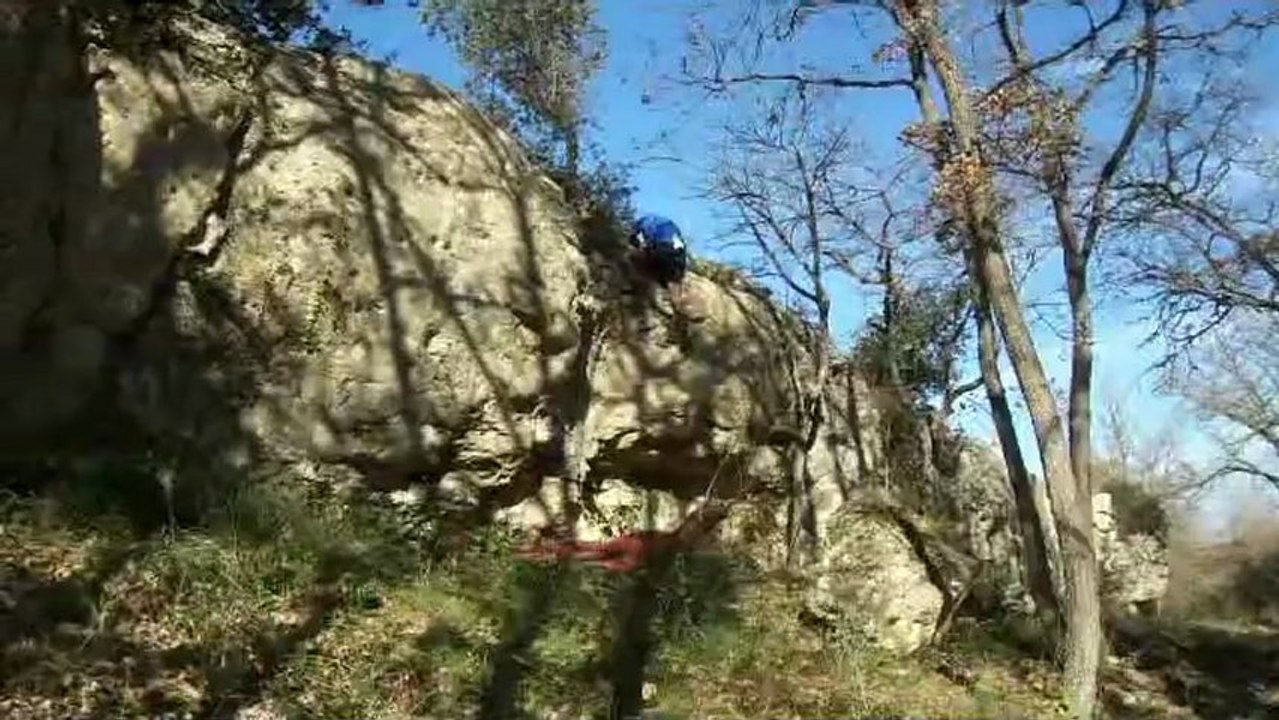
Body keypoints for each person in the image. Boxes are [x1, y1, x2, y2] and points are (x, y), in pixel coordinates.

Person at [629, 213, 689, 310]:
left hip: (663, 246)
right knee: (675, 279)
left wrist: (639, 246)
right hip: (680, 252)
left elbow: (633, 239)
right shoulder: (671, 224)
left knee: (639, 258)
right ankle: (677, 307)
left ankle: (642, 290)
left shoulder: (644, 222)